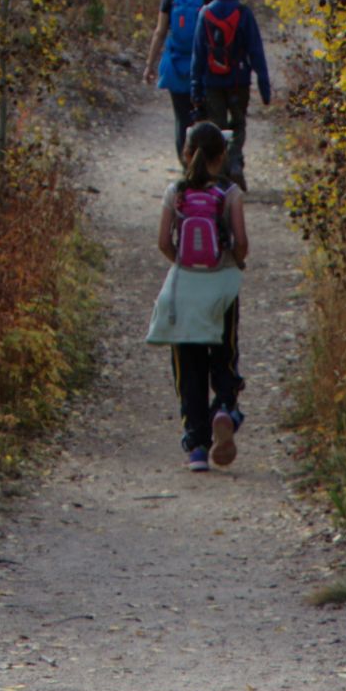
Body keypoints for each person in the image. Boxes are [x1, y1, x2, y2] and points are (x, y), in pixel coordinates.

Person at [145, 120, 247, 471]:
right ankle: (224, 409)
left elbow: (162, 242)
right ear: (223, 156)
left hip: (185, 289)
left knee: (187, 363)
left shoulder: (175, 192)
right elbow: (241, 243)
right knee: (224, 353)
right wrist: (233, 263)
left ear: (186, 154)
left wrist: (184, 265)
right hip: (221, 288)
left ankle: (197, 446)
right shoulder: (229, 194)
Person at [190, 0, 270, 192]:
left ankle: (221, 173)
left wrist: (196, 89)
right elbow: (256, 51)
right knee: (238, 126)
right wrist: (264, 87)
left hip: (212, 82)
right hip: (238, 81)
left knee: (217, 128)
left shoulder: (205, 13)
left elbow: (198, 54)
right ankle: (234, 161)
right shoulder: (243, 13)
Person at [143, 0, 214, 161]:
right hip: (203, 67)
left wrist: (150, 65)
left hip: (174, 65)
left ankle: (186, 168)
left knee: (181, 120)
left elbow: (160, 31)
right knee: (204, 119)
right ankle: (205, 168)